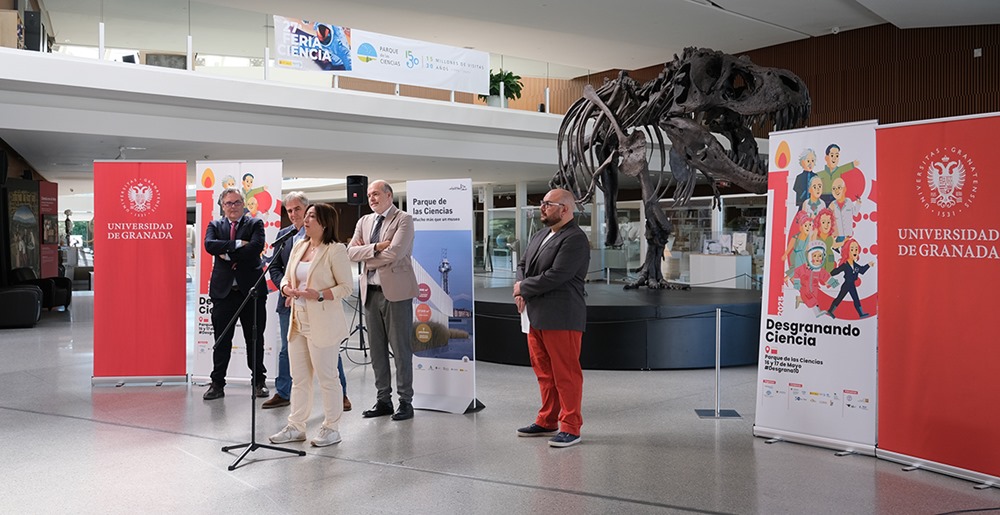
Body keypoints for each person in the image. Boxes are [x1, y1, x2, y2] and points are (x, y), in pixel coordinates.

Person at [269, 203, 353, 447]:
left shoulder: (335, 250)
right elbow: (287, 275)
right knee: (299, 378)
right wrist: (286, 288)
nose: (305, 220)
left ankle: (331, 428)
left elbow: (345, 287)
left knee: (328, 377)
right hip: (298, 320)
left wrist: (318, 294)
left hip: (323, 322)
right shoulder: (299, 245)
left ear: (324, 223)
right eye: (305, 216)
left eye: (311, 217)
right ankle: (296, 426)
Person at [513, 188, 590, 448]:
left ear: (565, 209)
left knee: (565, 373)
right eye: (542, 203)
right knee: (544, 373)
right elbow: (523, 264)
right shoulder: (540, 234)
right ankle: (547, 420)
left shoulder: (575, 239)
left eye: (548, 204)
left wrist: (523, 288)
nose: (542, 208)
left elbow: (558, 275)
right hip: (534, 315)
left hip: (561, 316)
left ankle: (571, 427)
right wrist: (521, 287)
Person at [347, 180, 418, 421]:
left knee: (400, 350)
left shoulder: (404, 219)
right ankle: (383, 400)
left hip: (396, 294)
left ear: (389, 195)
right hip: (370, 293)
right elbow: (349, 252)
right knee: (376, 351)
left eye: (376, 194)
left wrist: (366, 255)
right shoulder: (364, 221)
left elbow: (395, 253)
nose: (371, 198)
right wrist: (376, 247)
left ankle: (405, 402)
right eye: (369, 195)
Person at [203, 187, 268, 400]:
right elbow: (209, 245)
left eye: (237, 202)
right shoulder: (214, 224)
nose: (233, 206)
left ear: (243, 204)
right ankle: (217, 384)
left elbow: (256, 247)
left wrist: (227, 254)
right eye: (229, 203)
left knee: (254, 338)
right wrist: (238, 244)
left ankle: (258, 382)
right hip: (224, 293)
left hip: (251, 292)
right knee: (222, 340)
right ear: (222, 206)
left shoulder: (255, 224)